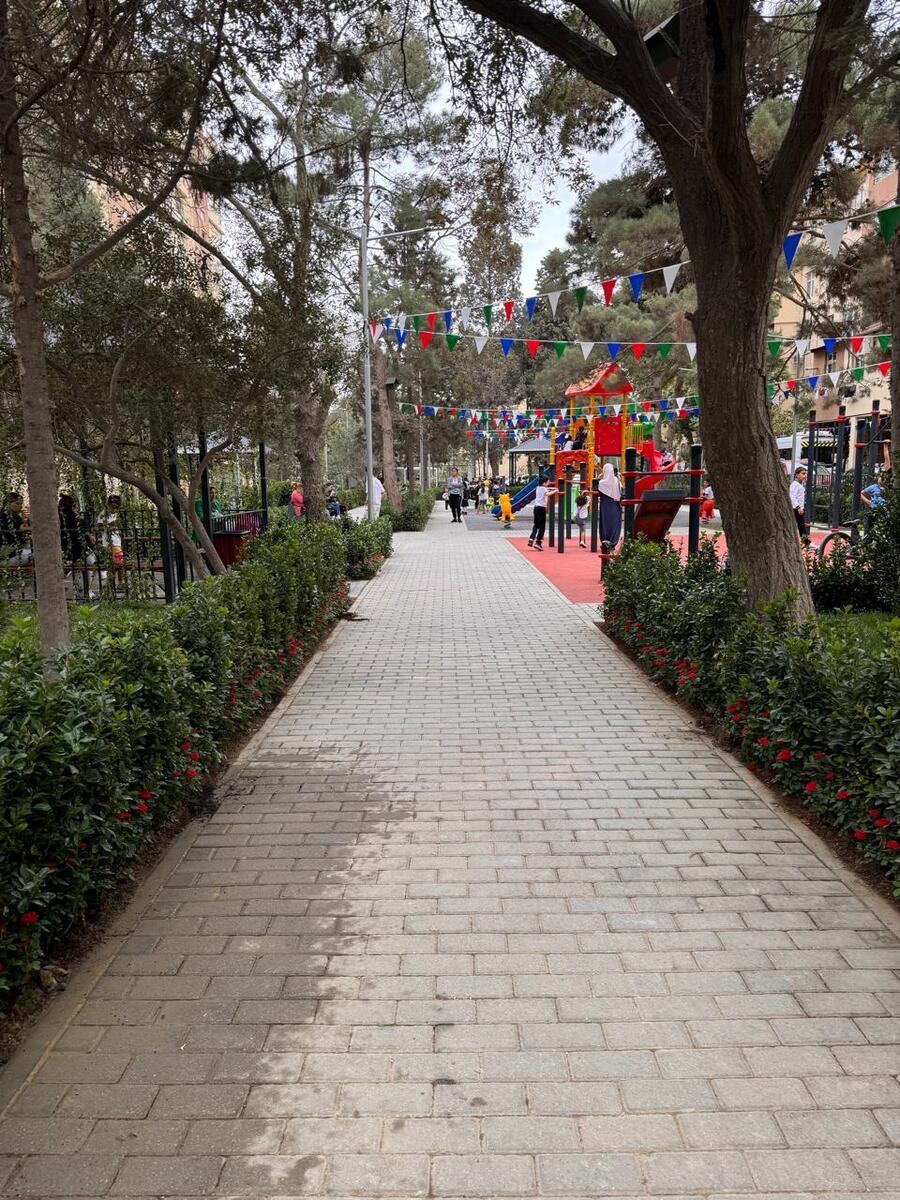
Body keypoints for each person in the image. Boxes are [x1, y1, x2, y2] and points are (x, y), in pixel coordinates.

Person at [597, 463, 622, 548]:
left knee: (605, 523)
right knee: (615, 523)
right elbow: (621, 491)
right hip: (615, 505)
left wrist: (599, 478)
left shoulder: (601, 483)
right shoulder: (617, 481)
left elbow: (597, 490)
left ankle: (605, 541)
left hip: (605, 506)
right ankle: (613, 541)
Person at [0, 491, 29, 562]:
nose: (20, 506)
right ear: (8, 503)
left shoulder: (3, 514)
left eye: (21, 504)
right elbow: (25, 529)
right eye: (17, 503)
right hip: (10, 556)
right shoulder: (11, 516)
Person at [528, 475, 553, 551]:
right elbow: (547, 494)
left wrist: (550, 489)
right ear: (544, 483)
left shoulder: (538, 488)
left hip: (536, 508)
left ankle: (532, 538)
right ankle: (538, 542)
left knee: (536, 525)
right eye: (548, 482)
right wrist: (555, 491)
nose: (549, 483)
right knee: (542, 526)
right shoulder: (544, 489)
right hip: (541, 508)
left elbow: (546, 491)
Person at [789, 467, 807, 540]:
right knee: (800, 525)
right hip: (795, 509)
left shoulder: (800, 484)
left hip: (799, 509)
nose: (805, 475)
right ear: (797, 475)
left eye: (805, 474)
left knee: (801, 525)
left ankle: (805, 541)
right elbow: (792, 496)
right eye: (803, 473)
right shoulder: (795, 484)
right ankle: (805, 542)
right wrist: (798, 507)